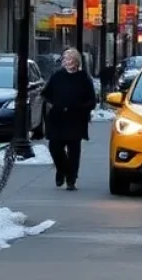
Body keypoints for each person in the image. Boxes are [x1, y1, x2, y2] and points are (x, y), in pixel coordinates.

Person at [42, 48, 96, 191]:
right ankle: (62, 170)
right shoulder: (57, 76)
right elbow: (46, 93)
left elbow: (92, 100)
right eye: (65, 59)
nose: (67, 61)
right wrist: (54, 104)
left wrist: (81, 109)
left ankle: (71, 179)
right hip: (57, 118)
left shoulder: (84, 78)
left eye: (70, 59)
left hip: (75, 119)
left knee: (73, 151)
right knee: (55, 148)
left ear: (76, 62)